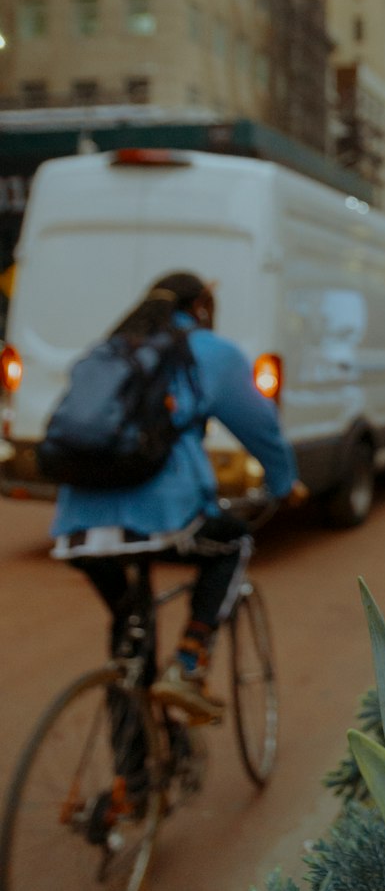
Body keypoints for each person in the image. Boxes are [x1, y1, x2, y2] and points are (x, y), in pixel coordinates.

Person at [52, 272, 305, 725]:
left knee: (129, 637)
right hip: (166, 517)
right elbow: (262, 430)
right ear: (201, 308)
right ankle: (188, 665)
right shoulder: (210, 352)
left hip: (78, 527)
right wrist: (285, 486)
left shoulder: (109, 348)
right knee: (233, 542)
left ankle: (132, 782)